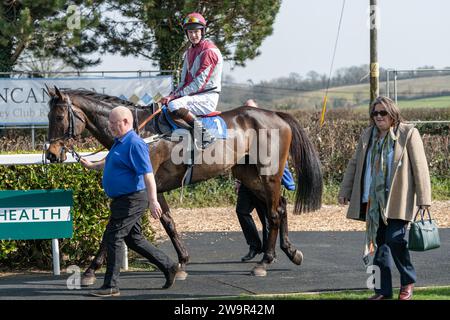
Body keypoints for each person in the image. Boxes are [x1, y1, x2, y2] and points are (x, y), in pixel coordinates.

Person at [338, 96, 431, 300]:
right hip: (373, 201)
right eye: (375, 113)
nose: (378, 116)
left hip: (398, 199)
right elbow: (354, 164)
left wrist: (424, 198)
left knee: (394, 240)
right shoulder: (367, 135)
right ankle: (382, 291)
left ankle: (407, 281)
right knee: (379, 244)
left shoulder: (408, 133)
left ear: (392, 114)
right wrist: (345, 190)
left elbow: (420, 166)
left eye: (382, 112)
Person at [80, 106, 179, 297]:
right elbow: (109, 162)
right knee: (134, 239)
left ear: (125, 122)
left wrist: (153, 200)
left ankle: (111, 285)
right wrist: (92, 165)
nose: (110, 127)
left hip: (132, 199)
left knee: (114, 236)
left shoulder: (135, 143)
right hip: (123, 199)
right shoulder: (119, 142)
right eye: (109, 123)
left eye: (113, 123)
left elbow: (148, 174)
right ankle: (169, 266)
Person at [236, 99, 296, 262]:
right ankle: (254, 246)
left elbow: (277, 162)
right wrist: (239, 180)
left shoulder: (268, 133)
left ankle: (270, 252)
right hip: (247, 183)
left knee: (267, 217)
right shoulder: (242, 134)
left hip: (264, 183)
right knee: (241, 211)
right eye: (246, 108)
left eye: (252, 109)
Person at [160, 12, 223, 149]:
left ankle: (204, 135)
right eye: (190, 32)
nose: (193, 35)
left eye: (196, 32)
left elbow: (198, 84)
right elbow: (183, 82)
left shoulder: (209, 52)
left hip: (207, 97)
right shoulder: (189, 52)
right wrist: (171, 95)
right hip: (194, 96)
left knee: (174, 106)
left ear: (202, 31)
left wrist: (174, 97)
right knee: (165, 106)